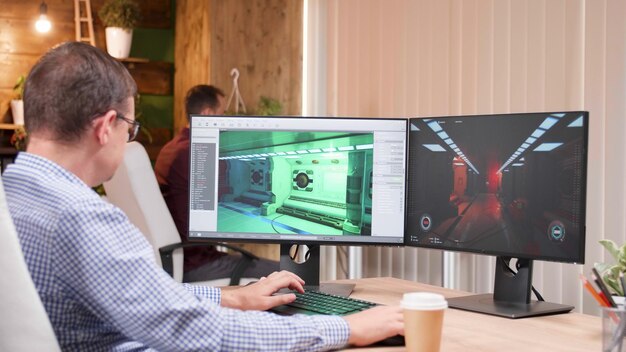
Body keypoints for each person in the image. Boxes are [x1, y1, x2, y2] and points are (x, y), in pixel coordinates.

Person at [2, 41, 403, 351]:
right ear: (107, 126)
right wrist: (347, 327)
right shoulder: (81, 216)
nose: (128, 140)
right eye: (131, 129)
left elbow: (143, 298)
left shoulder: (15, 193)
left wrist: (235, 298)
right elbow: (185, 328)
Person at [155, 84, 278, 283]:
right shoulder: (194, 153)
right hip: (198, 263)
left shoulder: (172, 148)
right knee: (285, 274)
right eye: (222, 113)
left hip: (182, 258)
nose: (225, 120)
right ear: (207, 114)